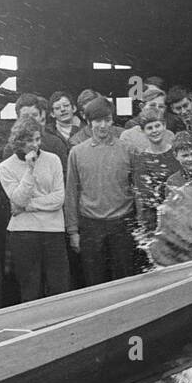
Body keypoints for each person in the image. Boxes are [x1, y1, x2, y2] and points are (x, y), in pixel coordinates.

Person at [0, 114, 70, 303]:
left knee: (59, 287)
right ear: (19, 141)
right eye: (30, 140)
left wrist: (28, 207)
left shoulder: (53, 160)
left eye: (38, 139)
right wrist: (29, 170)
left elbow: (58, 198)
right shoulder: (5, 167)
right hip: (23, 233)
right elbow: (18, 198)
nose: (35, 144)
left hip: (53, 230)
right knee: (31, 289)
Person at [66, 96, 136, 287]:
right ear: (89, 123)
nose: (103, 125)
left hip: (122, 223)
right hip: (91, 226)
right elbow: (71, 192)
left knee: (125, 280)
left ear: (113, 120)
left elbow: (137, 188)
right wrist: (73, 231)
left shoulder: (127, 149)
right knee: (94, 281)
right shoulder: (77, 152)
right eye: (98, 121)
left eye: (107, 120)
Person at [131, 104, 183, 232]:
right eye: (149, 128)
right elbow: (147, 198)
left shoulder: (178, 154)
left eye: (157, 125)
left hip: (183, 217)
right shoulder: (141, 160)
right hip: (156, 222)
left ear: (164, 126)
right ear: (143, 131)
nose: (154, 130)